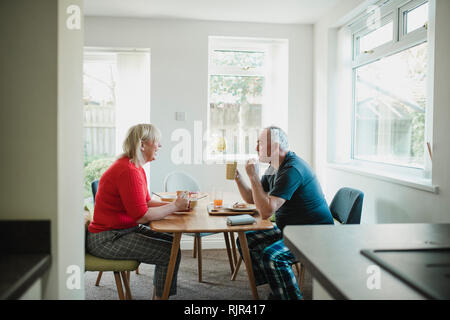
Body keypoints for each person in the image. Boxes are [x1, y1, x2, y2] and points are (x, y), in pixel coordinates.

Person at [86, 123, 189, 300]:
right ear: (142, 144)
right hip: (107, 239)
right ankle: (161, 297)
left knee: (173, 245)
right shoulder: (128, 171)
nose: (160, 146)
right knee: (167, 253)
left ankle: (160, 294)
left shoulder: (135, 168)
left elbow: (146, 203)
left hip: (122, 231)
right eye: (156, 141)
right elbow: (142, 216)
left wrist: (175, 204)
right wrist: (174, 207)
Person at [234, 126, 334, 300]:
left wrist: (253, 177)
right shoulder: (274, 167)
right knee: (247, 239)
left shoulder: (292, 169)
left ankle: (288, 296)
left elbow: (265, 212)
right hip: (291, 230)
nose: (256, 148)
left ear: (275, 146)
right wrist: (239, 178)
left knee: (272, 257)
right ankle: (277, 285)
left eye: (260, 143)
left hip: (315, 234)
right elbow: (253, 198)